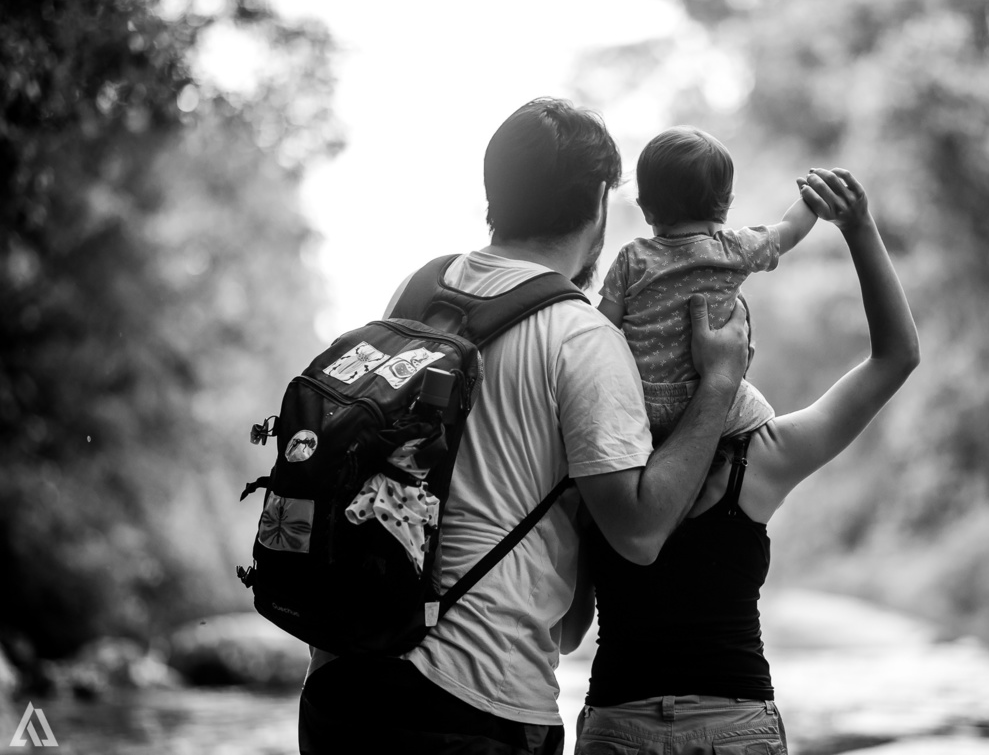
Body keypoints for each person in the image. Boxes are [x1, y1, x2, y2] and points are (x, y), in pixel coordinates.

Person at [296, 97, 751, 755]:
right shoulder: (582, 337)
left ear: (496, 189)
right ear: (598, 201)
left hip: (342, 681)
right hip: (474, 697)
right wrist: (717, 389)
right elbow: (641, 530)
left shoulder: (420, 290)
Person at [572, 167, 920, 754]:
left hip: (617, 723)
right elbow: (895, 358)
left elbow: (570, 630)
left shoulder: (599, 463)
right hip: (734, 726)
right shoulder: (763, 458)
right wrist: (857, 227)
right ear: (739, 349)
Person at [598, 126, 818, 444]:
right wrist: (813, 199)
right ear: (726, 205)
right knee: (765, 424)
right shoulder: (733, 250)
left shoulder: (633, 258)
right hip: (703, 397)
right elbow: (791, 231)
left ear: (645, 208)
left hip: (639, 401)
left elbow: (603, 326)